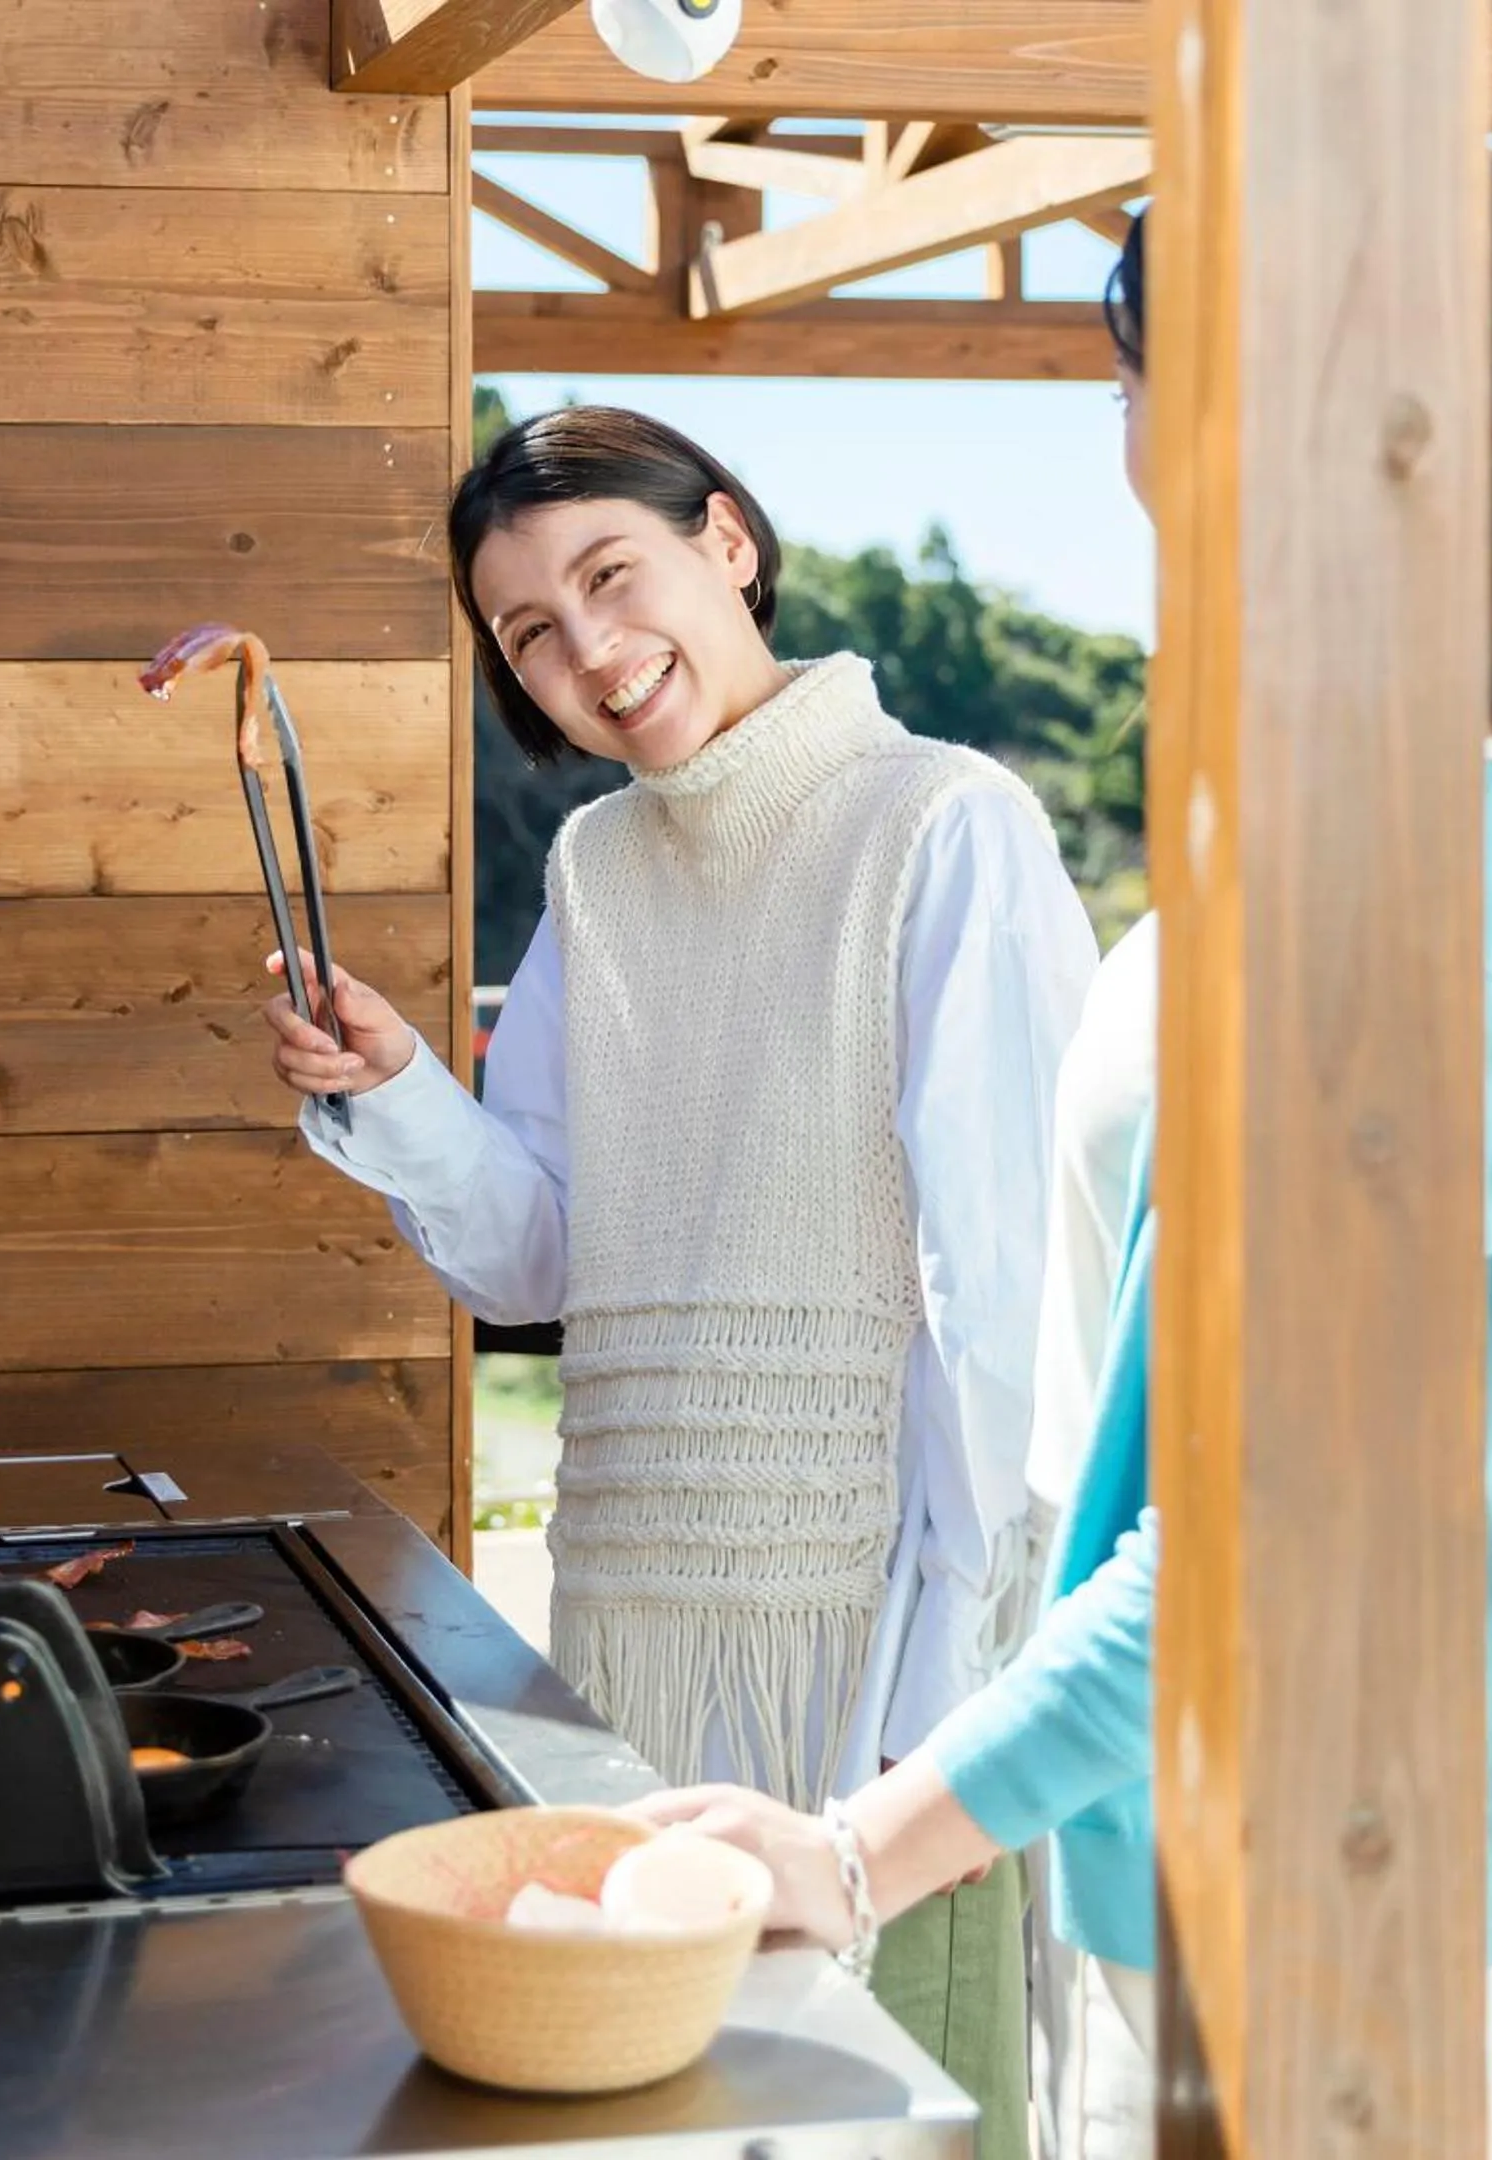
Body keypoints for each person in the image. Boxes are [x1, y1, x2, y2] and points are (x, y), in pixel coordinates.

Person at [633, 176, 1492, 2149]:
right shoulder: (1368, 813)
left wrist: (854, 1854)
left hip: (1291, 1871)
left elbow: (1260, 1540)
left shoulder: (1391, 886)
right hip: (1176, 1815)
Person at [259, 405, 1100, 2156]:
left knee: (884, 2125)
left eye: (609, 575)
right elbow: (545, 1253)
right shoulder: (597, 870)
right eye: (530, 634)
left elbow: (1007, 1314)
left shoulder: (948, 825)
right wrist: (403, 1089)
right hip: (632, 1642)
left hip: (871, 1660)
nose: (589, 652)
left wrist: (929, 1731)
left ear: (727, 541)